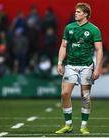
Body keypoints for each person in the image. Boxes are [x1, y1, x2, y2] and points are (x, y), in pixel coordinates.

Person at [55, 3, 103, 134]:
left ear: (86, 14)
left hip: (86, 66)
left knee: (85, 96)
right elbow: (63, 46)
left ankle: (84, 126)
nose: (75, 13)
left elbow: (99, 50)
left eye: (78, 12)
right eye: (75, 11)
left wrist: (98, 68)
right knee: (64, 94)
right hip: (71, 65)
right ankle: (68, 125)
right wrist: (60, 62)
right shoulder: (69, 28)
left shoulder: (94, 30)